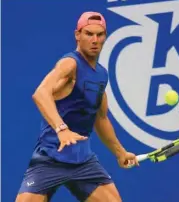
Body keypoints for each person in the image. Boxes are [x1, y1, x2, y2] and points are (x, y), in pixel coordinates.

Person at [16, 11, 139, 202]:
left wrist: (120, 152)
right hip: (50, 158)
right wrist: (61, 128)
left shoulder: (101, 74)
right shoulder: (70, 64)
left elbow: (101, 118)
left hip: (83, 162)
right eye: (89, 34)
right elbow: (40, 93)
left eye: (100, 35)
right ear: (77, 35)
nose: (95, 40)